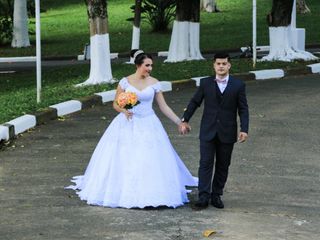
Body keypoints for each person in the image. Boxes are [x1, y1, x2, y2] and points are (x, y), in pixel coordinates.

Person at [66, 49, 197, 208]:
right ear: (138, 65)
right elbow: (115, 103)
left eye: (151, 66)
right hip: (128, 122)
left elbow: (163, 106)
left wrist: (179, 122)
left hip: (149, 123)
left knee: (149, 156)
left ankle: (152, 189)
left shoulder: (155, 83)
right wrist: (123, 110)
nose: (149, 69)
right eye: (147, 65)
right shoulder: (125, 82)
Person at [180, 52, 249, 210]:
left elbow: (243, 109)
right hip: (208, 130)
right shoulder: (205, 83)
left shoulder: (238, 85)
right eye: (218, 63)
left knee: (223, 165)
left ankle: (216, 194)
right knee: (205, 163)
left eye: (224, 63)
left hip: (227, 131)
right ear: (214, 65)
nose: (221, 66)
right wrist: (185, 120)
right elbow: (195, 102)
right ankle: (203, 196)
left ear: (229, 65)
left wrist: (244, 129)